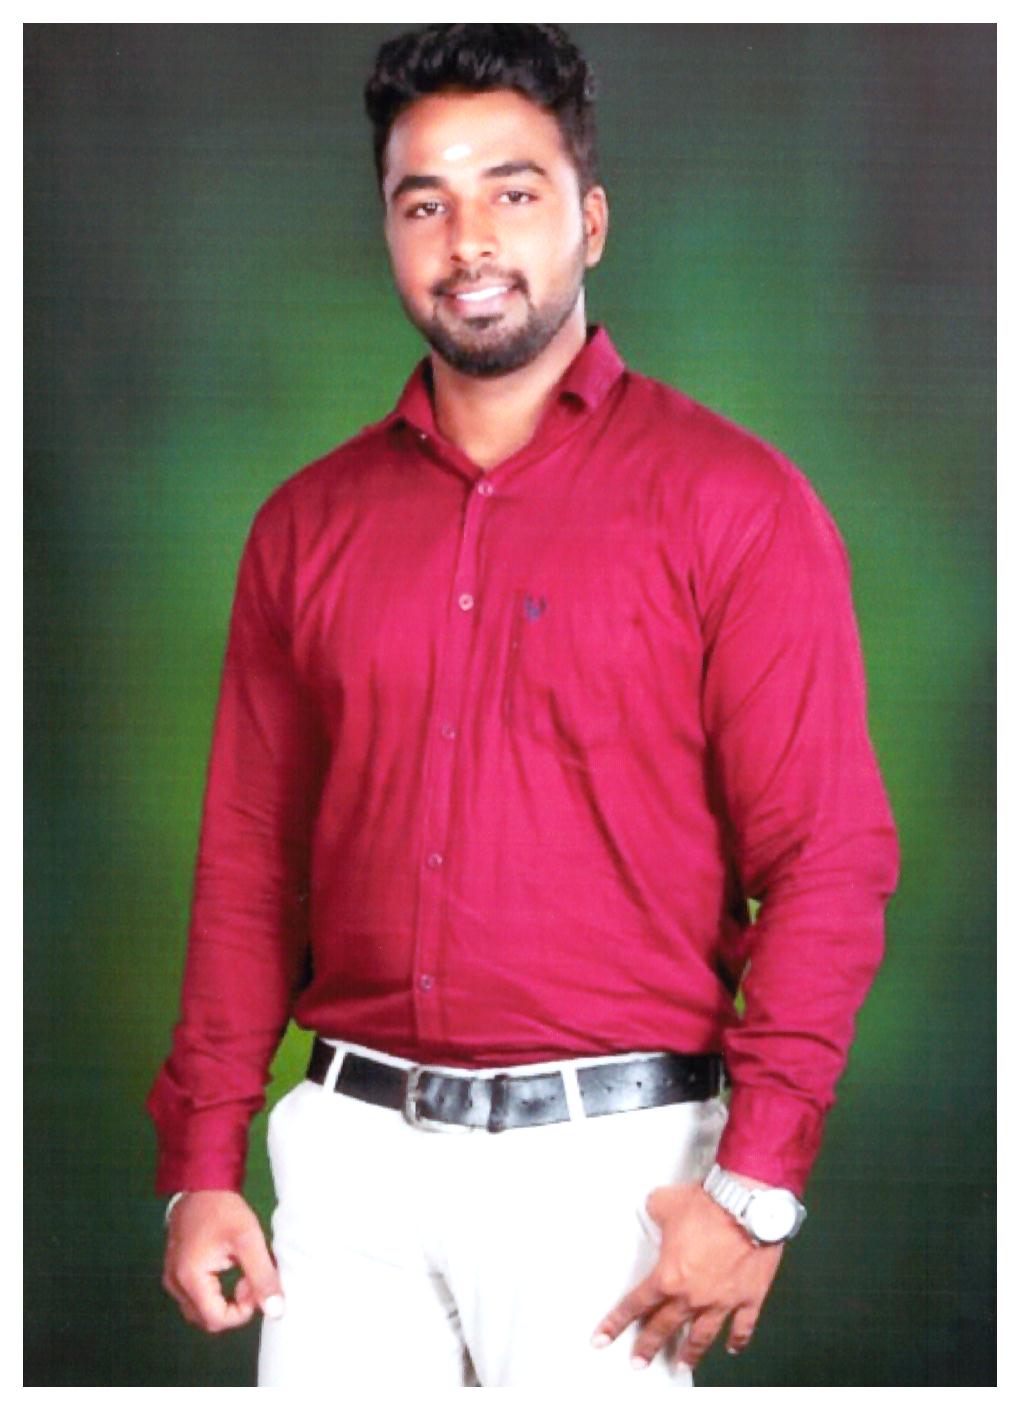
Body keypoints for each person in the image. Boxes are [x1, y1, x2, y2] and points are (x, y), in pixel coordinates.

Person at [149, 23, 899, 1390]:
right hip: (346, 1173)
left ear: (590, 220)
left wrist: (756, 1188)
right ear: (389, 232)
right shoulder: (303, 527)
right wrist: (203, 1160)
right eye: (423, 203)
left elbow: (828, 861)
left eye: (513, 190)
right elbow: (250, 868)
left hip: (610, 1184)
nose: (469, 241)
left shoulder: (735, 504)